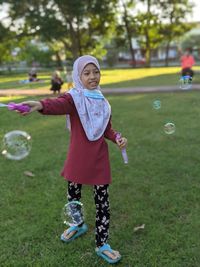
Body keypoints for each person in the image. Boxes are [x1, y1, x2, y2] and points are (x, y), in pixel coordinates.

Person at [19, 55, 127, 264]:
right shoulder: (73, 99)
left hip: (99, 158)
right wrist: (39, 104)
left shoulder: (103, 102)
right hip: (78, 157)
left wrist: (117, 138)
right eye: (86, 73)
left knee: (102, 201)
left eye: (95, 72)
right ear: (78, 76)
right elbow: (57, 104)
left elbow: (107, 129)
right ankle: (77, 225)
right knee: (73, 196)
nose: (92, 77)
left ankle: (102, 243)